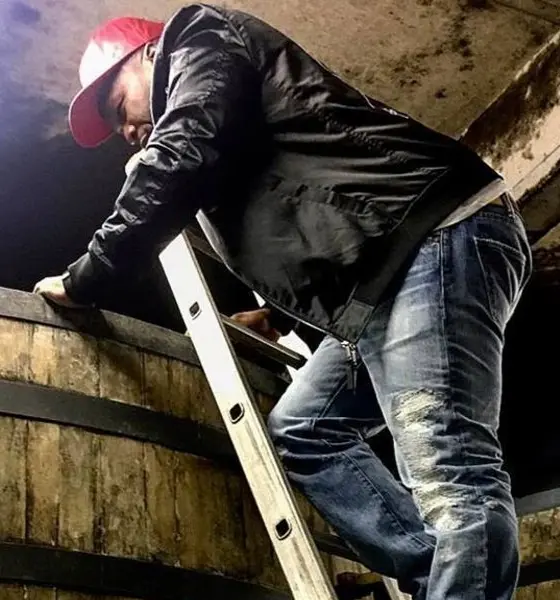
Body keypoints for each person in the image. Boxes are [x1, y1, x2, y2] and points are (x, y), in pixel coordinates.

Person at [33, 4, 532, 598]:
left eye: (120, 109)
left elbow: (181, 157)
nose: (128, 131)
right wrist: (276, 314)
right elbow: (306, 211)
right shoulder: (219, 120)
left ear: (148, 56)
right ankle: (443, 579)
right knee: (304, 429)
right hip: (377, 284)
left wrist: (86, 279)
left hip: (430, 239)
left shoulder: (198, 37)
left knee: (450, 470)